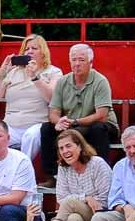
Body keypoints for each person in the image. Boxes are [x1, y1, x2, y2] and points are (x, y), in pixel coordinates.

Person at [38, 44, 118, 179]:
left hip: (99, 124)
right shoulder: (63, 81)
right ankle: (52, 176)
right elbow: (53, 112)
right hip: (71, 124)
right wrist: (59, 122)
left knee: (97, 129)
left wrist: (75, 122)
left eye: (81, 60)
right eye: (74, 60)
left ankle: (101, 175)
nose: (77, 64)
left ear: (90, 62)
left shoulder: (100, 81)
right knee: (47, 128)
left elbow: (102, 115)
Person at [0, 34, 60, 166]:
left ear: (43, 53)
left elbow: (52, 98)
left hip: (36, 124)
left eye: (34, 48)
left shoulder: (53, 72)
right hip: (10, 125)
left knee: (30, 136)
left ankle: (21, 170)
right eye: (27, 49)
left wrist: (35, 77)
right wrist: (1, 73)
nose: (30, 51)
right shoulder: (14, 72)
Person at [53, 129, 111, 221]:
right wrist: (85, 198)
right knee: (73, 219)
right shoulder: (63, 168)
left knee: (70, 202)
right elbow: (61, 198)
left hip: (101, 214)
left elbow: (104, 200)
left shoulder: (97, 164)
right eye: (61, 148)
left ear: (80, 146)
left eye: (68, 146)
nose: (65, 151)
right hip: (79, 215)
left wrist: (82, 201)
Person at [91, 126, 135, 221]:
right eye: (128, 147)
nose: (132, 151)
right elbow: (114, 200)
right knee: (99, 219)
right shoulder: (120, 166)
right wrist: (126, 208)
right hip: (126, 218)